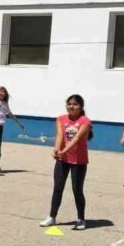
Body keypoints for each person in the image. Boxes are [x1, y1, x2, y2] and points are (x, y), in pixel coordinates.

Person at [40, 94, 92, 231]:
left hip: (79, 161)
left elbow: (76, 139)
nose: (71, 106)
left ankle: (81, 219)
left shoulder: (85, 121)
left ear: (81, 107)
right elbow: (60, 135)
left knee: (77, 190)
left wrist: (64, 150)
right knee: (58, 188)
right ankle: (52, 217)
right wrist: (57, 149)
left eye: (75, 104)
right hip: (63, 160)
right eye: (69, 104)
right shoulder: (61, 119)